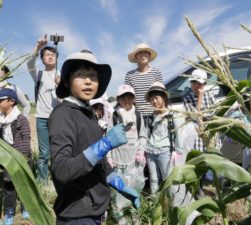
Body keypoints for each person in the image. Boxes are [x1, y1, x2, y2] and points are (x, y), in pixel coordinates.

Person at [48, 50, 140, 225]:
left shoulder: (89, 115)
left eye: (93, 76)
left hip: (93, 210)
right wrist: (105, 144)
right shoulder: (63, 115)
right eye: (81, 75)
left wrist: (119, 184)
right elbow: (62, 170)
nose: (88, 80)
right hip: (76, 215)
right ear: (67, 81)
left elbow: (99, 163)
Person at [107, 84, 146, 224]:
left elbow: (142, 136)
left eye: (130, 97)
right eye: (123, 97)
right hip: (118, 163)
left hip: (133, 163)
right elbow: (109, 138)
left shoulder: (137, 115)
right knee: (118, 193)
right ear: (118, 99)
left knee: (134, 191)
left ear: (134, 98)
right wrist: (109, 157)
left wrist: (141, 152)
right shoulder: (114, 115)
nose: (127, 100)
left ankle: (136, 216)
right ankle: (121, 218)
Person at [27, 34, 60, 183]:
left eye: (53, 54)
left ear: (57, 58)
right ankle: (42, 182)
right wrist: (38, 46)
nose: (50, 56)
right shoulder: (38, 74)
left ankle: (58, 180)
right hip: (41, 118)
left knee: (58, 151)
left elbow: (67, 99)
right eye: (47, 55)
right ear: (42, 59)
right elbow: (29, 63)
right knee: (44, 153)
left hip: (58, 118)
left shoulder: (63, 75)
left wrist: (61, 86)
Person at [145, 82, 186, 194]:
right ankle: (156, 202)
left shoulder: (173, 115)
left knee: (167, 178)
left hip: (165, 151)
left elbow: (179, 134)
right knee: (153, 178)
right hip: (150, 150)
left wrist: (178, 153)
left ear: (164, 98)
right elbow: (147, 133)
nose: (154, 101)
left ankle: (170, 202)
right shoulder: (150, 117)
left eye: (156, 98)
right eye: (151, 99)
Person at [0, 88, 32, 225]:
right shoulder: (0, 120)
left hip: (22, 158)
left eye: (1, 100)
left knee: (24, 185)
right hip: (7, 159)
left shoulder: (21, 119)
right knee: (9, 187)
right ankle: (9, 212)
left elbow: (26, 140)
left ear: (12, 101)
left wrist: (21, 159)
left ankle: (27, 208)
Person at [183, 69, 222, 152]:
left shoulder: (210, 96)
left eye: (199, 83)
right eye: (193, 83)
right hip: (197, 139)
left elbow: (214, 116)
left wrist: (204, 117)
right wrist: (200, 98)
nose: (196, 86)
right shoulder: (187, 99)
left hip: (211, 137)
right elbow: (195, 117)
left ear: (205, 84)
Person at [125, 43, 163, 125]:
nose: (143, 55)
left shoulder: (156, 72)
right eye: (140, 53)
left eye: (145, 52)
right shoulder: (129, 75)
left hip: (155, 115)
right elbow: (127, 96)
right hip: (136, 117)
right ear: (136, 57)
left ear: (149, 56)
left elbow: (161, 94)